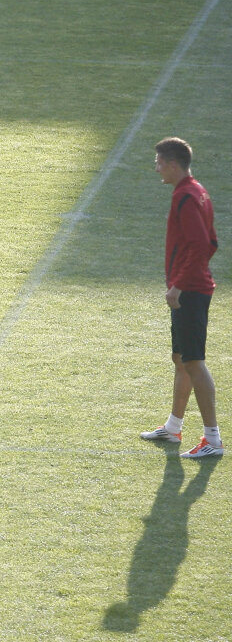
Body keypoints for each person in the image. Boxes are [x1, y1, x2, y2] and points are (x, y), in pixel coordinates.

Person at [139, 137, 222, 458]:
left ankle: (212, 440)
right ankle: (173, 428)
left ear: (173, 164)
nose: (156, 167)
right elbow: (211, 243)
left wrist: (179, 285)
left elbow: (201, 245)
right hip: (193, 287)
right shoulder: (197, 191)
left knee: (194, 362)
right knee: (181, 359)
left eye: (159, 161)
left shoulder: (186, 197)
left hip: (190, 291)